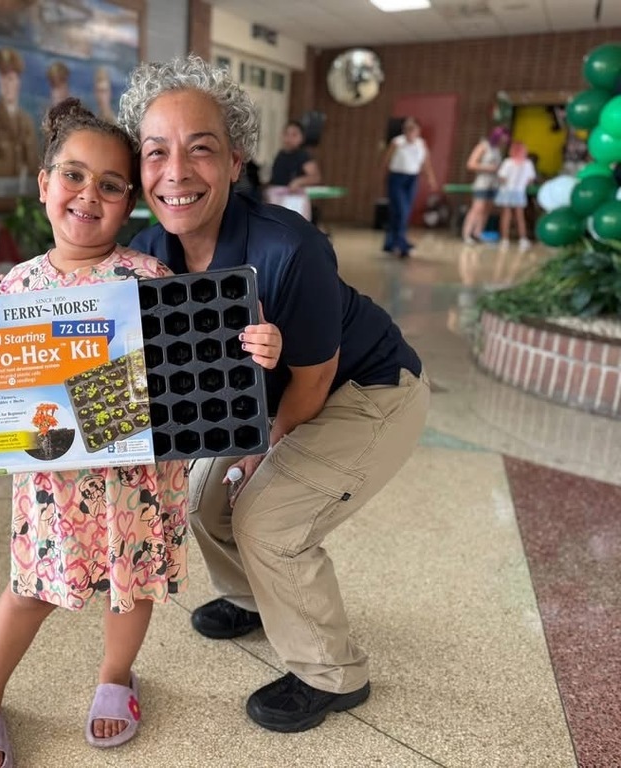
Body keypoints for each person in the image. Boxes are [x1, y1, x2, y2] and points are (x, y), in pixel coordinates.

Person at [0, 98, 283, 768]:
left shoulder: (152, 280)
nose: (89, 194)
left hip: (137, 488)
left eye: (110, 184)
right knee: (26, 594)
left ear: (129, 201)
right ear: (44, 184)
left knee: (129, 588)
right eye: (73, 176)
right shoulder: (10, 291)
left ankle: (115, 678)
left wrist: (257, 345)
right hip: (51, 492)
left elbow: (202, 370)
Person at [119, 55, 430, 734]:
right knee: (201, 499)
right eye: (156, 153)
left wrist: (256, 457)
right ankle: (253, 598)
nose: (176, 172)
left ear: (235, 162)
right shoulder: (148, 250)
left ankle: (335, 673)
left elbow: (315, 380)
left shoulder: (291, 249)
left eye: (201, 149)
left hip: (367, 392)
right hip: (269, 393)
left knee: (265, 518)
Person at [380, 116, 437, 258]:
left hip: (412, 179)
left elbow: (425, 162)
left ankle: (391, 242)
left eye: (412, 129)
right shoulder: (397, 142)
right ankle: (401, 243)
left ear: (418, 130)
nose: (409, 131)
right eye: (406, 129)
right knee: (400, 210)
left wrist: (431, 178)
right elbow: (386, 161)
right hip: (397, 178)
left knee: (404, 211)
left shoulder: (421, 144)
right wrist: (384, 178)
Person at [0, 47, 39, 177]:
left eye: (10, 79)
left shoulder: (26, 121)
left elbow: (33, 164)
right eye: (2, 79)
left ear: (18, 82)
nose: (6, 85)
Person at [263, 121, 321, 220]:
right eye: (286, 134)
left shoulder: (303, 155)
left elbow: (315, 177)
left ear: (302, 137)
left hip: (294, 199)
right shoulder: (280, 154)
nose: (289, 138)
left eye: (294, 135)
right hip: (276, 198)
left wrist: (298, 182)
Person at [461, 126, 509, 244]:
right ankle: (467, 234)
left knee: (487, 209)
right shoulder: (483, 146)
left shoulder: (498, 150)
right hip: (482, 182)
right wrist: (489, 168)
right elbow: (471, 164)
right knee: (477, 208)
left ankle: (478, 233)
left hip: (494, 183)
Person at [495, 140, 537, 251]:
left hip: (513, 191)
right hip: (514, 191)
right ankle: (514, 239)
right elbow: (530, 179)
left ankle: (513, 239)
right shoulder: (519, 163)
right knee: (513, 215)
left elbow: (502, 177)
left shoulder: (517, 163)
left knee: (513, 215)